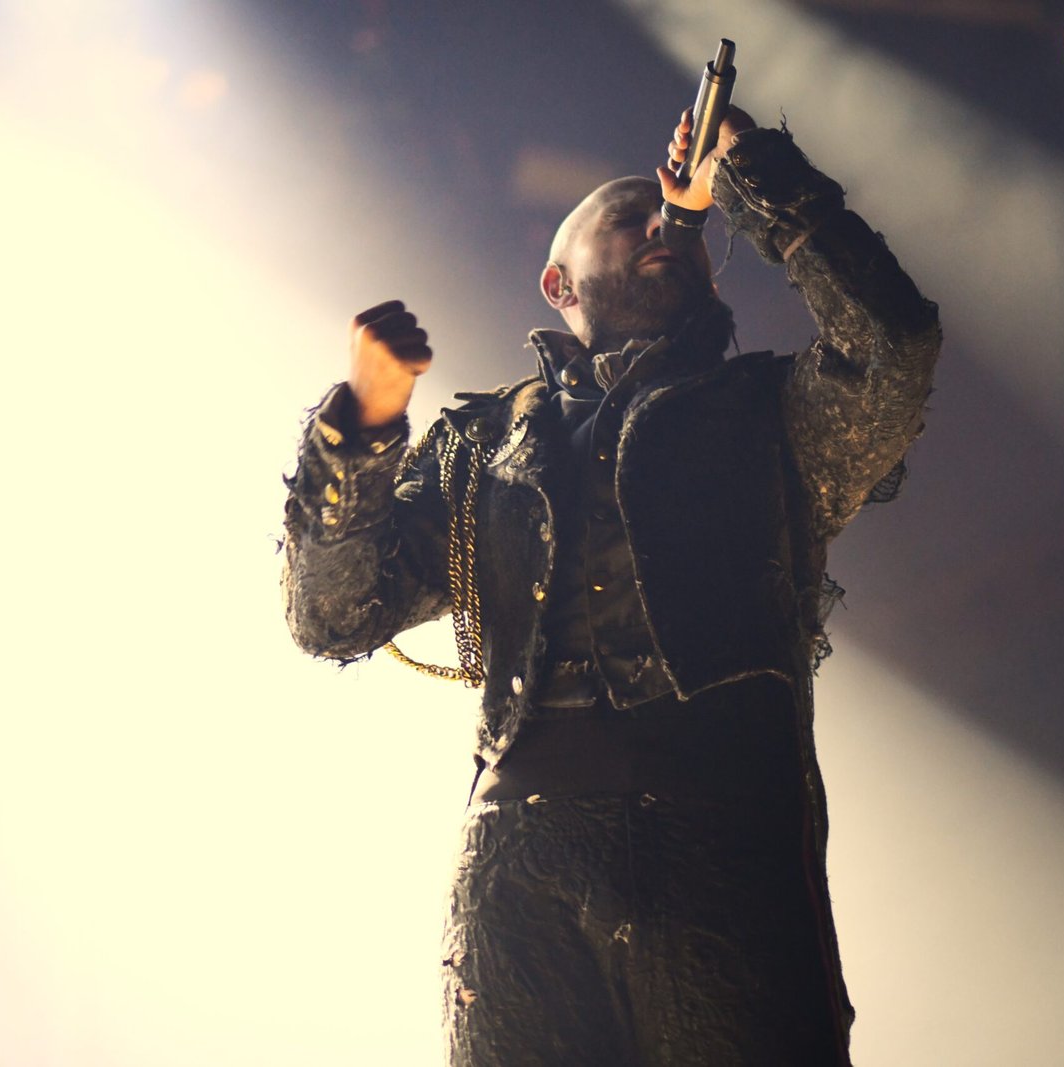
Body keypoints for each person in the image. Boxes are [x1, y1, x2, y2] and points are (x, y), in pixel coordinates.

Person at [281, 103, 940, 1066]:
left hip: (720, 835)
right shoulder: (481, 444)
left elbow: (893, 348)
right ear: (558, 283)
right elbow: (332, 615)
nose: (660, 226)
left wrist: (746, 167)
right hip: (518, 861)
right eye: (627, 218)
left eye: (675, 222)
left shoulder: (771, 415)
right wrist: (361, 429)